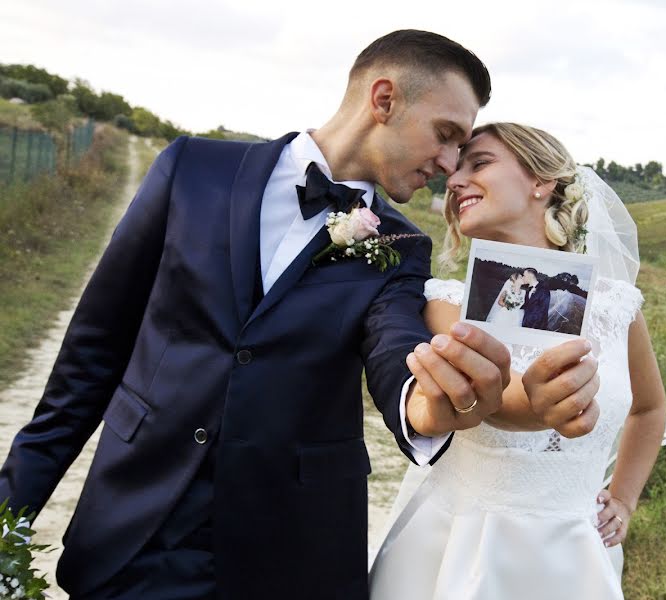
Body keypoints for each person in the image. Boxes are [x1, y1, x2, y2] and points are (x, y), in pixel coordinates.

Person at [0, 30, 512, 599]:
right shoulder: (191, 171)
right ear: (384, 98)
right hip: (136, 535)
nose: (448, 164)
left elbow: (394, 348)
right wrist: (7, 519)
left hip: (289, 557)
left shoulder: (403, 247)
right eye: (445, 136)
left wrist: (424, 403)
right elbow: (91, 357)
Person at [369, 122, 666, 599]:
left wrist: (626, 501)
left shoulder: (615, 307)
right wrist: (542, 405)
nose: (454, 180)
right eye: (454, 170)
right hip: (459, 544)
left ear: (540, 182)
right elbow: (492, 398)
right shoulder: (445, 304)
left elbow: (650, 410)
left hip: (576, 554)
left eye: (479, 163)